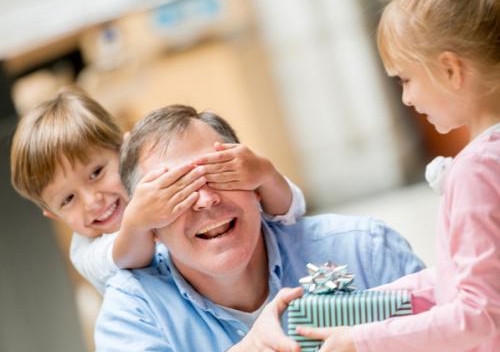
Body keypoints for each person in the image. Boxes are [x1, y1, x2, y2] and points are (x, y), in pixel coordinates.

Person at [93, 104, 462, 352]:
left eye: (220, 174)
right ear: (150, 229)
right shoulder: (135, 306)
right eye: (175, 192)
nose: (205, 200)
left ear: (255, 183)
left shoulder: (363, 249)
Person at [290, 0, 500, 352]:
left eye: (404, 78)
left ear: (450, 69)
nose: (405, 98)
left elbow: (479, 309)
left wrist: (363, 344)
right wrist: (389, 303)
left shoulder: (477, 171)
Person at [10, 87, 304, 294]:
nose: (92, 200)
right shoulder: (86, 251)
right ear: (54, 215)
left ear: (125, 153)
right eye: (68, 199)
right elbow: (129, 259)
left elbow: (290, 213)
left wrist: (264, 176)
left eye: (97, 173)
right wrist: (139, 221)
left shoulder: (172, 180)